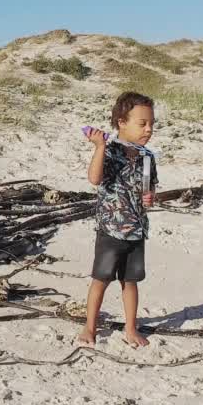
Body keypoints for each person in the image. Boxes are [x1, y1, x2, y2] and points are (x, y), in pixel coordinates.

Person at [77, 91, 158, 348]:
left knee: (130, 281)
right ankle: (89, 327)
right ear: (121, 122)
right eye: (142, 123)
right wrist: (100, 147)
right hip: (111, 229)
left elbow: (150, 189)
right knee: (100, 279)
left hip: (136, 230)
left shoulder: (147, 157)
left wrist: (150, 198)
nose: (148, 129)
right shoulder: (110, 151)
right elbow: (95, 178)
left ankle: (131, 328)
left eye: (151, 124)